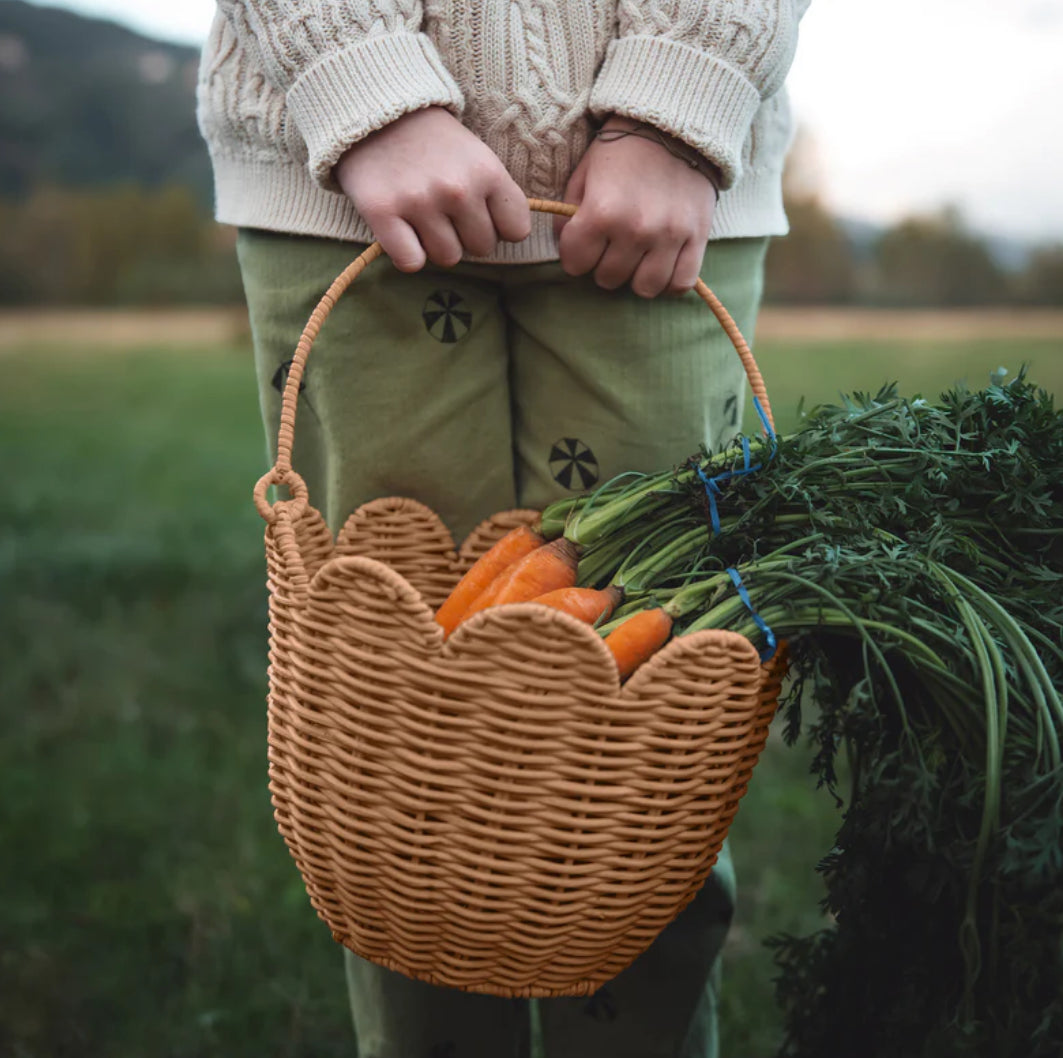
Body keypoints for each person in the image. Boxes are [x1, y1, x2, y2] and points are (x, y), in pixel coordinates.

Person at [198, 3, 809, 1055]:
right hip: (337, 184)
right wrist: (363, 83)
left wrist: (676, 102)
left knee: (645, 760)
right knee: (394, 759)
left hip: (664, 201)